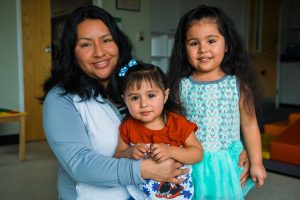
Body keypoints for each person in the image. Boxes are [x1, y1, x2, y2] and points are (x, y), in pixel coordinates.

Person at [41, 5, 189, 200]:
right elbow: (79, 163)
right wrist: (144, 169)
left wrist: (239, 150)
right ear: (72, 52)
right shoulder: (61, 98)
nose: (99, 52)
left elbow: (179, 127)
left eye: (106, 40)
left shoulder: (136, 84)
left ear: (118, 44)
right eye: (86, 44)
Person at [166, 4, 267, 199]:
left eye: (211, 41)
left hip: (227, 164)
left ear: (227, 44)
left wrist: (257, 162)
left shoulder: (238, 85)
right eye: (194, 43)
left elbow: (250, 124)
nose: (203, 49)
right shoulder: (180, 86)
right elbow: (173, 125)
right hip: (192, 162)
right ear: (184, 48)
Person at [114, 62, 203, 200]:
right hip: (141, 194)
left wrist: (171, 151)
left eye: (151, 96)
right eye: (135, 98)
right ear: (124, 100)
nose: (144, 104)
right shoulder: (127, 126)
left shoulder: (178, 124)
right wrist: (129, 152)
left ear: (165, 95)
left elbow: (197, 154)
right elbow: (117, 156)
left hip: (178, 192)